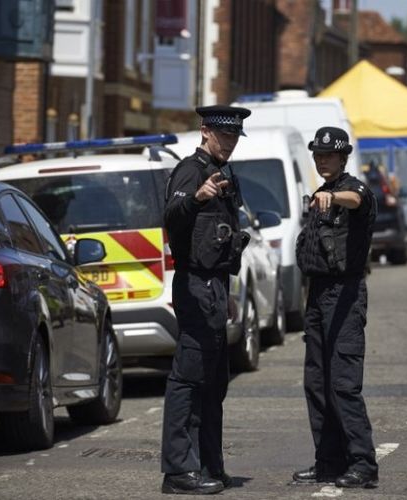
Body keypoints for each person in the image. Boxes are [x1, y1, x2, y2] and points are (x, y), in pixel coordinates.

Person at [160, 104, 251, 495]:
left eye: (234, 137)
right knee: (188, 379)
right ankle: (179, 471)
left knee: (214, 384)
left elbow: (225, 237)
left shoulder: (225, 174)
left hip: (214, 286)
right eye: (223, 135)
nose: (229, 143)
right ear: (204, 132)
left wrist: (228, 292)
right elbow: (172, 217)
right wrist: (196, 197)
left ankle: (210, 464)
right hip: (195, 285)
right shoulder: (191, 171)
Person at [293, 126, 379, 489]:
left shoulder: (352, 190)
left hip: (344, 294)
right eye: (318, 154)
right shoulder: (319, 194)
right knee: (317, 382)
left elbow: (358, 200)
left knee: (343, 383)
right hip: (318, 295)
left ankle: (363, 463)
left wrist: (335, 198)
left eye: (329, 155)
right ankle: (328, 460)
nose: (322, 159)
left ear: (343, 157)